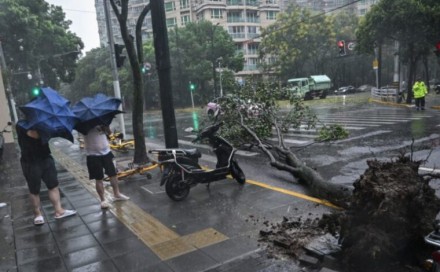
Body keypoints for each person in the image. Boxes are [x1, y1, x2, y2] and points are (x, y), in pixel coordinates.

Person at [16, 121, 77, 226]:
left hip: (45, 158)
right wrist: (47, 130)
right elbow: (34, 135)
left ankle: (59, 210)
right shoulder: (22, 124)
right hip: (30, 162)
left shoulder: (44, 124)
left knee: (53, 185)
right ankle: (38, 215)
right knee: (34, 190)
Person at [83, 125, 129, 209]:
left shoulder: (102, 120)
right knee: (98, 178)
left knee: (113, 174)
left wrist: (105, 127)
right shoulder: (83, 124)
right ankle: (103, 200)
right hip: (92, 155)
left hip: (106, 153)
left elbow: (109, 133)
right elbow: (84, 132)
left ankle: (117, 194)